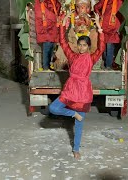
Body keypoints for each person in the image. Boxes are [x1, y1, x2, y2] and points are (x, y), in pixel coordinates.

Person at [48, 12, 105, 159]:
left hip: (83, 90)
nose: (81, 47)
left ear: (88, 46)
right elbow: (62, 41)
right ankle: (74, 114)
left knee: (79, 125)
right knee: (53, 108)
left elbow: (101, 48)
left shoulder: (92, 58)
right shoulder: (72, 56)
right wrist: (62, 24)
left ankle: (76, 148)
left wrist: (99, 27)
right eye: (79, 45)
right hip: (70, 88)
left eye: (84, 45)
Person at [94, 0, 123, 70]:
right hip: (104, 28)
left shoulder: (120, 1)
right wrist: (100, 16)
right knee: (103, 49)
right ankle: (106, 65)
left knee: (109, 49)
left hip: (113, 30)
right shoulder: (105, 1)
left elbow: (123, 13)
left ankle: (108, 66)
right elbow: (96, 7)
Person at [34, 0, 61, 70]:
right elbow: (41, 16)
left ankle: (47, 65)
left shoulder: (51, 2)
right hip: (46, 30)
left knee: (50, 47)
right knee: (48, 47)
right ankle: (46, 66)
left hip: (50, 29)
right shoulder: (41, 3)